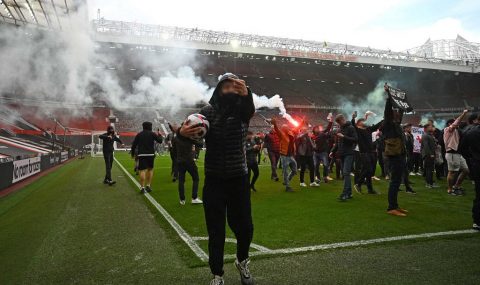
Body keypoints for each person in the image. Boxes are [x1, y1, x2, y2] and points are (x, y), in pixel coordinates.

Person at [178, 73, 255, 285]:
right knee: (216, 230)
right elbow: (190, 134)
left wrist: (247, 94)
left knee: (245, 228)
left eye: (234, 86)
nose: (230, 89)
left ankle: (242, 261)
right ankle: (217, 274)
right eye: (226, 86)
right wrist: (181, 134)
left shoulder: (242, 109)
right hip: (214, 180)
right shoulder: (207, 112)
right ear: (218, 89)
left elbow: (249, 110)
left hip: (239, 178)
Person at [380, 88, 408, 217]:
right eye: (395, 111)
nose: (397, 113)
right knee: (395, 181)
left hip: (400, 154)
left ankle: (395, 205)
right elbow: (388, 111)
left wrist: (402, 101)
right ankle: (391, 207)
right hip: (395, 155)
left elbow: (401, 113)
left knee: (397, 180)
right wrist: (389, 97)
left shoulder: (396, 124)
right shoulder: (388, 123)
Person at [351, 112, 383, 194]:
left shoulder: (368, 129)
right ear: (358, 124)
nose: (365, 122)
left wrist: (385, 118)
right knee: (368, 169)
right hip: (364, 153)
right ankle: (358, 184)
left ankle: (370, 189)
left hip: (370, 152)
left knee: (369, 171)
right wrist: (353, 118)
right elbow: (353, 125)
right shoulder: (357, 130)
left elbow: (378, 125)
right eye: (363, 121)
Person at [458, 112, 480, 231]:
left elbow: (462, 148)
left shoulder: (470, 132)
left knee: (478, 194)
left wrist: (472, 158)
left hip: (476, 165)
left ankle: (477, 221)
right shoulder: (472, 131)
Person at [173, 123, 203, 205]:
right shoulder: (189, 138)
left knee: (181, 181)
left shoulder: (175, 138)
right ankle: (194, 198)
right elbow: (201, 144)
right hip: (189, 161)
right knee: (196, 178)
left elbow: (174, 151)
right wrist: (198, 136)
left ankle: (182, 200)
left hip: (180, 161)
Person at [330, 114, 358, 201]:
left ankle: (345, 193)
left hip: (349, 153)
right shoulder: (340, 128)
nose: (339, 124)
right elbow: (338, 142)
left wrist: (344, 137)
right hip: (342, 154)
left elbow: (355, 139)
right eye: (338, 123)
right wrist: (332, 151)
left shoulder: (351, 128)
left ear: (343, 119)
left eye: (340, 122)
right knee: (345, 174)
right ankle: (348, 193)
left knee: (346, 173)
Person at [130, 122, 163, 194]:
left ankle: (142, 187)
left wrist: (132, 154)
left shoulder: (139, 134)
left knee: (142, 170)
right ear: (150, 126)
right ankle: (148, 185)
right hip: (151, 154)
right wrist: (160, 135)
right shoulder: (152, 134)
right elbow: (160, 141)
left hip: (142, 154)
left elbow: (134, 145)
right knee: (150, 169)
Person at [444, 110, 469, 196]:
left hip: (458, 153)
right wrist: (464, 113)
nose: (457, 124)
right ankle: (450, 189)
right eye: (453, 122)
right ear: (449, 124)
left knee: (466, 170)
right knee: (452, 172)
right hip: (452, 153)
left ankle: (456, 186)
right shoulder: (448, 129)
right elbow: (456, 123)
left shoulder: (457, 131)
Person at [272, 118, 297, 192]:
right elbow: (277, 129)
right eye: (286, 127)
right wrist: (275, 124)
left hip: (290, 155)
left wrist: (302, 122)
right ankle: (287, 187)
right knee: (285, 171)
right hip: (284, 156)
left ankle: (286, 181)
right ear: (283, 129)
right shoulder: (281, 134)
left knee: (294, 170)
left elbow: (297, 128)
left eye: (288, 127)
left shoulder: (291, 133)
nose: (288, 128)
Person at [312, 119, 333, 183]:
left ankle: (325, 176)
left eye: (318, 128)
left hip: (323, 152)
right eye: (316, 128)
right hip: (316, 153)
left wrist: (330, 122)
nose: (317, 129)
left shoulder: (322, 134)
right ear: (314, 130)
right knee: (316, 165)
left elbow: (327, 129)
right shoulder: (312, 136)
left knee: (326, 165)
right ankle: (317, 177)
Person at [421, 124, 439, 188]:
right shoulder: (425, 135)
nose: (431, 128)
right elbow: (426, 146)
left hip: (431, 154)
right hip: (428, 155)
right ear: (426, 128)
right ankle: (428, 183)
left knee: (430, 169)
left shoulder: (430, 135)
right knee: (429, 169)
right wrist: (430, 154)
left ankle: (430, 182)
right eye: (430, 127)